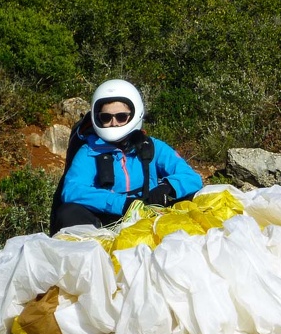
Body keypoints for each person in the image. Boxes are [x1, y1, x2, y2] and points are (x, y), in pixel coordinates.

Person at [51, 79, 203, 232]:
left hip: (149, 218)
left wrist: (168, 187)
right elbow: (72, 190)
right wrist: (123, 204)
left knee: (197, 199)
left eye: (121, 117)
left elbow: (192, 177)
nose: (114, 123)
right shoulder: (89, 151)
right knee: (68, 213)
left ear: (134, 114)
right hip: (106, 223)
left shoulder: (151, 146)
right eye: (106, 117)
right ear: (97, 118)